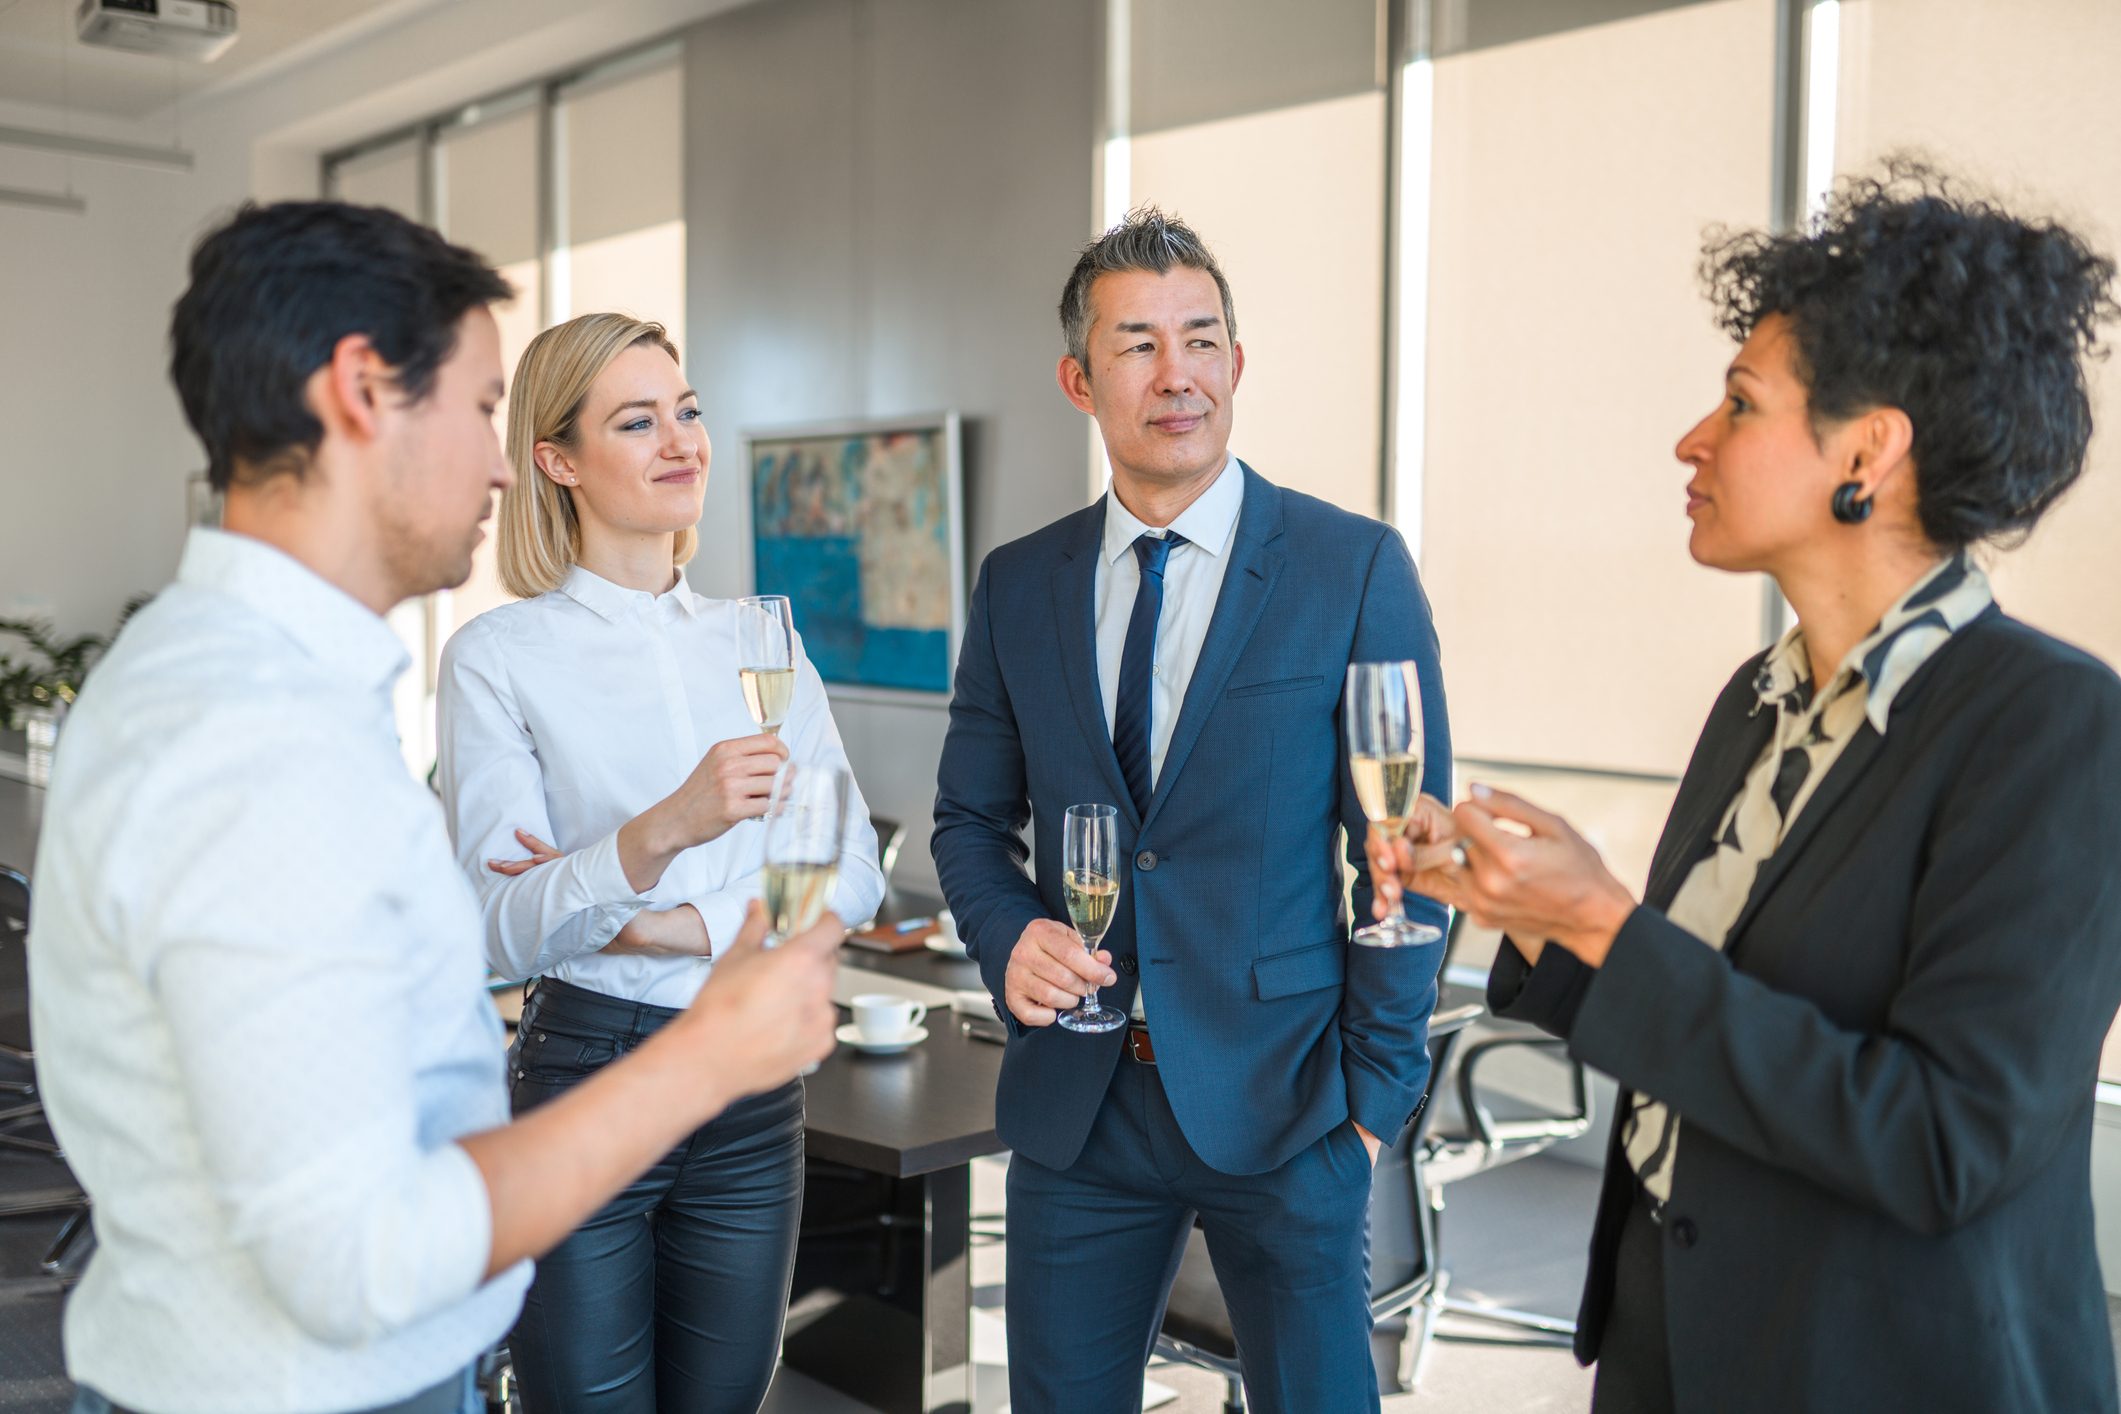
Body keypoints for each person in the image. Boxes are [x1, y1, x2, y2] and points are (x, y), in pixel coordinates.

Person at [28, 202, 845, 1414]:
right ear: (365, 391)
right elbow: (356, 1255)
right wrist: (708, 1053)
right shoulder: (251, 735)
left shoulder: (276, 691)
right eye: (478, 408)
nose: (506, 461)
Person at [1370, 164, 2121, 1413]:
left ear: (1870, 452)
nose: (1691, 439)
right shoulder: (1756, 699)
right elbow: (1710, 1010)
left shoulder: (2053, 726)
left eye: (1739, 403)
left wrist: (1604, 919)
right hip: (1676, 1339)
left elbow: (1943, 1144)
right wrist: (1533, 914)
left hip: (1881, 1368)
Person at [931, 207, 1451, 1412]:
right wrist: (1009, 936)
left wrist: (1373, 1105)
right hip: (1080, 1110)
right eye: (1139, 345)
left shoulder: (1351, 567)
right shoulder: (1020, 583)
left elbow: (1410, 850)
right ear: (1079, 378)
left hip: (1292, 1104)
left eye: (1202, 339)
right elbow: (968, 822)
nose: (1178, 375)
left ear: (1236, 363)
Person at [435, 311, 884, 1413]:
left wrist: (652, 918)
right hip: (586, 1071)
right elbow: (496, 928)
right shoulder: (497, 658)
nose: (681, 440)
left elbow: (854, 869)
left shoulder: (761, 638)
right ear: (557, 459)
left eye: (686, 412)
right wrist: (662, 830)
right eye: (637, 421)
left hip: (751, 1087)